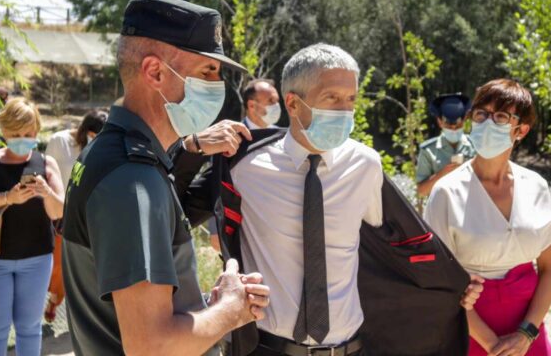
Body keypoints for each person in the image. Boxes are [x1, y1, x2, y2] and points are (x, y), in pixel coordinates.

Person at [174, 43, 484, 356]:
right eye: (332, 98)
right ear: (293, 104)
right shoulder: (244, 165)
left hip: (350, 349)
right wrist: (191, 146)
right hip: (266, 349)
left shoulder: (366, 165)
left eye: (351, 99)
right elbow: (175, 209)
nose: (344, 110)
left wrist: (455, 281)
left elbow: (406, 241)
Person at [60, 0, 270, 356]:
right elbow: (152, 346)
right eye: (208, 72)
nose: (217, 86)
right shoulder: (132, 182)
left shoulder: (116, 154)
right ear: (155, 72)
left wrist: (207, 303)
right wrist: (230, 310)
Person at [424, 79, 551, 356]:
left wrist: (526, 334)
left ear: (520, 130)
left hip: (529, 332)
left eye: (500, 116)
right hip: (467, 329)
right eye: (481, 114)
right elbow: (437, 281)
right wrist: (492, 345)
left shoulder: (536, 186)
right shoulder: (446, 192)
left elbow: (549, 269)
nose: (487, 122)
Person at [0, 98, 65, 356]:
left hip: (37, 260)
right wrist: (8, 198)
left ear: (37, 131)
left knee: (30, 329)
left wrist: (46, 192)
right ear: (4, 131)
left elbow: (58, 211)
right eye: (15, 133)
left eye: (28, 134)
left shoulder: (46, 164)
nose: (22, 138)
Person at [43, 109, 108, 322]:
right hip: (59, 211)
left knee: (84, 265)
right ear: (87, 130)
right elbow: (47, 174)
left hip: (87, 213)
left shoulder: (99, 147)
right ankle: (53, 297)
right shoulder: (59, 141)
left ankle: (64, 305)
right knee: (59, 264)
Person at [416, 93, 476, 197]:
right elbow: (421, 191)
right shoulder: (428, 150)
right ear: (440, 122)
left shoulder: (475, 146)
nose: (453, 129)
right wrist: (442, 174)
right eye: (449, 125)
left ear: (464, 120)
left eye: (458, 126)